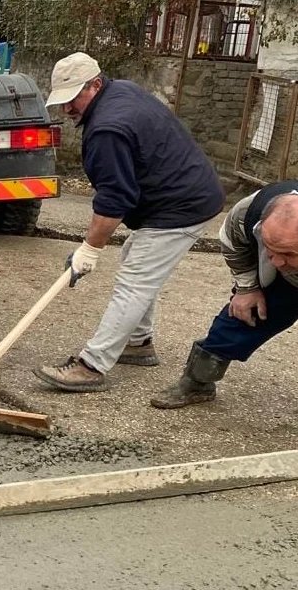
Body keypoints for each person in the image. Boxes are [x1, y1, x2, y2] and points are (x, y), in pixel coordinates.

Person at [32, 52, 225, 392]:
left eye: (73, 98)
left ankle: (92, 365)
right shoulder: (120, 90)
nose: (67, 109)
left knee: (134, 281)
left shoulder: (108, 128)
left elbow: (114, 201)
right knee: (134, 263)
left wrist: (89, 249)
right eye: (62, 101)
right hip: (181, 194)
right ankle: (138, 343)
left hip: (179, 205)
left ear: (95, 83)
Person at [151, 182, 298, 409]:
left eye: (288, 253)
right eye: (271, 248)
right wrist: (247, 288)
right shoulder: (247, 212)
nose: (277, 260)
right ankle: (198, 382)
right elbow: (233, 243)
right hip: (282, 282)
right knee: (244, 316)